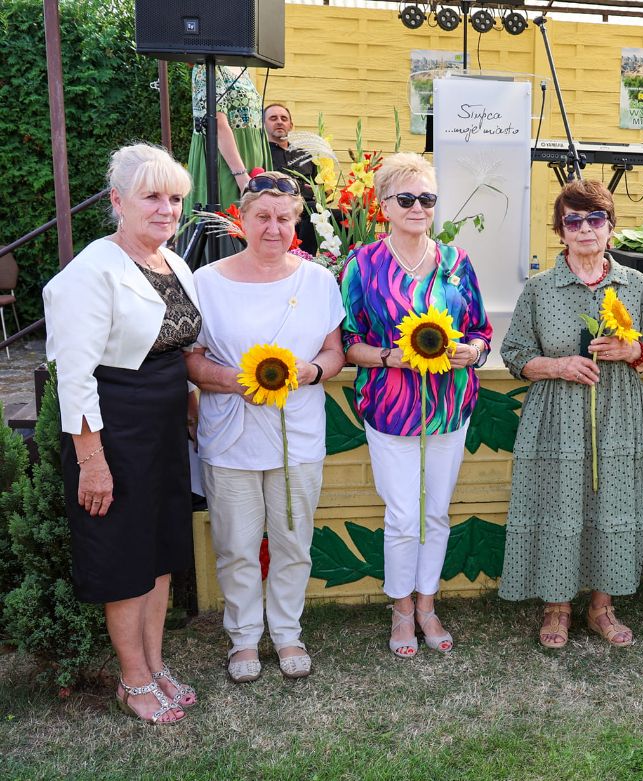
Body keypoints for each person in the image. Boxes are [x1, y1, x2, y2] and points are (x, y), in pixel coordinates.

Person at [43, 143, 201, 724]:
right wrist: (92, 461)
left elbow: (179, 348)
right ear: (117, 201)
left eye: (175, 198)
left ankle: (156, 665)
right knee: (124, 558)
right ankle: (133, 681)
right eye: (152, 196)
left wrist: (188, 405)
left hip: (161, 430)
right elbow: (75, 377)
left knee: (159, 552)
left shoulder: (173, 262)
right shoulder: (91, 271)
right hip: (114, 430)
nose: (166, 209)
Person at [185, 171, 345, 682]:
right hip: (229, 434)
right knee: (235, 544)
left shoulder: (318, 280)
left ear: (295, 222)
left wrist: (310, 373)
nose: (272, 228)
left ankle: (287, 633)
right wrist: (235, 381)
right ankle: (243, 639)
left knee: (293, 540)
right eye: (262, 217)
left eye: (283, 218)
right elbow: (191, 360)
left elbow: (333, 352)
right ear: (243, 219)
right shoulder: (205, 283)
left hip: (296, 434)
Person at [499, 180, 643, 648]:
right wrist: (559, 365)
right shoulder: (539, 288)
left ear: (611, 228)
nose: (585, 229)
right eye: (574, 221)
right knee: (558, 507)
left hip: (618, 413)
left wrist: (632, 349)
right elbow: (514, 355)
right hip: (556, 415)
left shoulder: (633, 285)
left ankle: (601, 606)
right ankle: (556, 608)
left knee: (612, 507)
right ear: (561, 231)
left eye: (595, 219)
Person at [340, 153, 492, 658]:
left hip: (450, 406)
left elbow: (480, 329)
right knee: (404, 514)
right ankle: (401, 608)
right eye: (406, 198)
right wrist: (392, 358)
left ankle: (428, 605)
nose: (418, 207)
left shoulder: (456, 262)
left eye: (426, 198)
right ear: (384, 205)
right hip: (391, 408)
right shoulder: (363, 265)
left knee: (437, 513)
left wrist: (474, 351)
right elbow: (348, 343)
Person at [185, 65, 271, 262]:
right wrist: (241, 177)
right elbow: (218, 125)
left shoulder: (242, 66)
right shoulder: (206, 68)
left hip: (251, 158)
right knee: (226, 226)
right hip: (226, 163)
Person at [264, 103, 320, 254]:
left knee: (347, 216)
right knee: (313, 210)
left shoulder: (305, 155)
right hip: (278, 206)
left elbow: (319, 186)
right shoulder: (261, 154)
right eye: (273, 118)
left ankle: (342, 263)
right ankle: (304, 257)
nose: (279, 121)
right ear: (263, 125)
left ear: (291, 125)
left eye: (284, 118)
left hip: (308, 207)